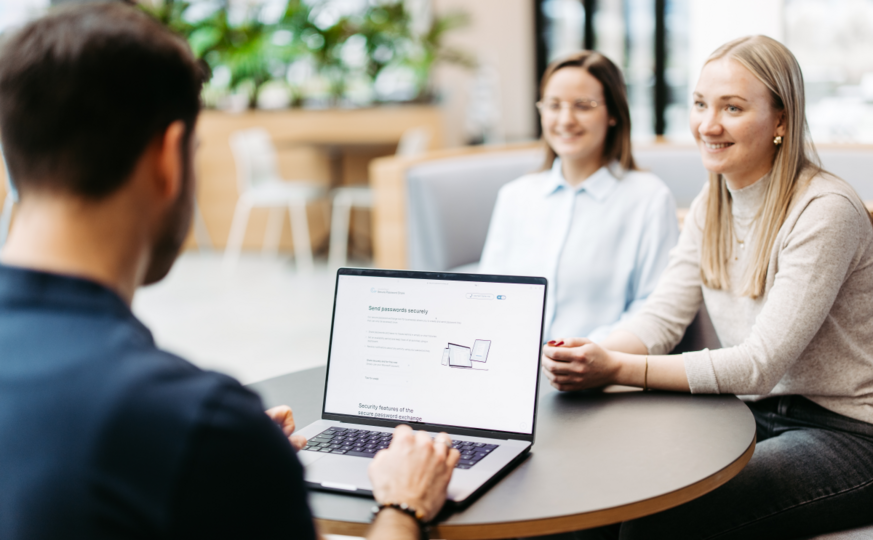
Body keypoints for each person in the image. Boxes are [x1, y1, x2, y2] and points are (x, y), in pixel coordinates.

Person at [0, 4, 459, 539]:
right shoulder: (197, 424)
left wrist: (227, 465)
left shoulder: (197, 435)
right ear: (170, 158)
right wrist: (404, 506)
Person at [544, 35, 873, 538]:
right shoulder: (712, 200)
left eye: (732, 107)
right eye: (700, 104)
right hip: (752, 415)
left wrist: (617, 369)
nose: (708, 125)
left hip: (846, 433)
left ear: (781, 120)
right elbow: (662, 317)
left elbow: (759, 365)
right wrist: (587, 355)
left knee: (656, 518)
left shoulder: (825, 211)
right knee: (598, 485)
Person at [479, 51, 678, 343]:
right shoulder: (515, 196)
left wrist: (588, 354)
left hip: (602, 372)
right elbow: (486, 296)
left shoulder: (649, 197)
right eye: (553, 105)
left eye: (583, 106)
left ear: (613, 113)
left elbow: (653, 308)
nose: (565, 120)